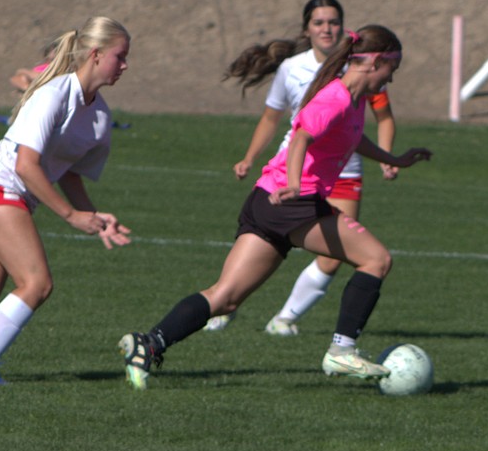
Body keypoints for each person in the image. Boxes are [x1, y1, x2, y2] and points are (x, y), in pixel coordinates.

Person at [118, 25, 431, 390]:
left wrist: (393, 159)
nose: (392, 77)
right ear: (376, 61)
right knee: (376, 260)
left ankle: (148, 343)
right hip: (291, 202)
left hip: (267, 201)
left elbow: (351, 137)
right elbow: (301, 138)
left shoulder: (353, 100)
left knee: (226, 298)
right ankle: (342, 350)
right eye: (393, 68)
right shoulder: (336, 97)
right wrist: (296, 183)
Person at [0, 17, 133, 384]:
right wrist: (71, 216)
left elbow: (68, 171)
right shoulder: (54, 94)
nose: (125, 65)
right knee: (37, 283)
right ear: (96, 54)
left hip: (0, 192)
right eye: (120, 56)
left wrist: (93, 215)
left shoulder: (100, 116)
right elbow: (26, 166)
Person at [203, 0, 400, 337]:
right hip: (297, 173)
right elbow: (277, 121)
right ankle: (227, 303)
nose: (327, 29)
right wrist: (250, 157)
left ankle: (285, 318)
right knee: (356, 254)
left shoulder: (362, 70)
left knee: (340, 256)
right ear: (306, 28)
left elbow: (382, 117)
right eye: (319, 22)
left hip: (344, 173)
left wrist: (390, 157)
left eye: (334, 22)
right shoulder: (293, 69)